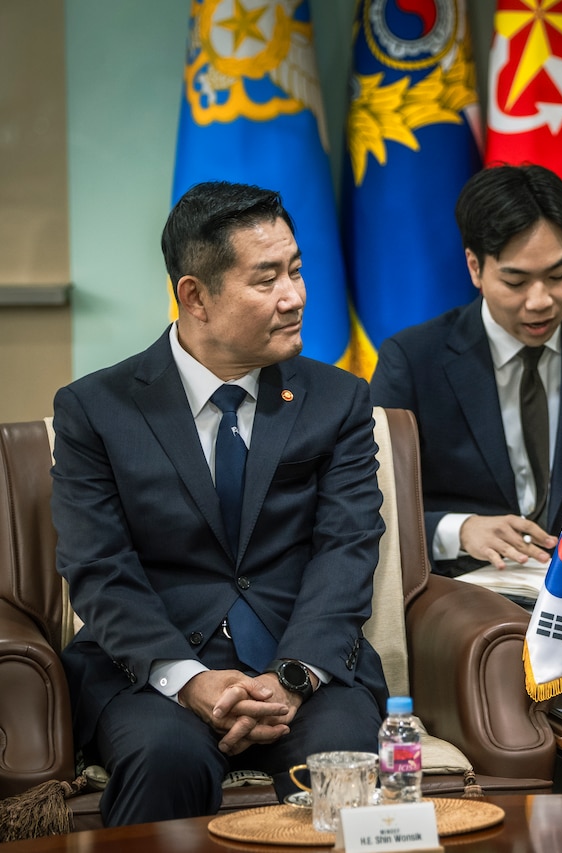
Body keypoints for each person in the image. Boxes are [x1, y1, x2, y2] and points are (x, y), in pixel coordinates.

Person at [51, 182, 388, 826]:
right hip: (154, 671)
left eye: (295, 271)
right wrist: (191, 679)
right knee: (167, 758)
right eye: (266, 280)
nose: (294, 297)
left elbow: (347, 548)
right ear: (194, 296)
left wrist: (292, 677)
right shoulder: (96, 410)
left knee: (342, 761)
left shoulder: (338, 400)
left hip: (304, 665)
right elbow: (98, 567)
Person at [370, 164, 562, 579]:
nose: (541, 301)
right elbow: (373, 499)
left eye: (557, 275)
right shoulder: (412, 359)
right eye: (516, 282)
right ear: (475, 268)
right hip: (466, 582)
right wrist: (458, 530)